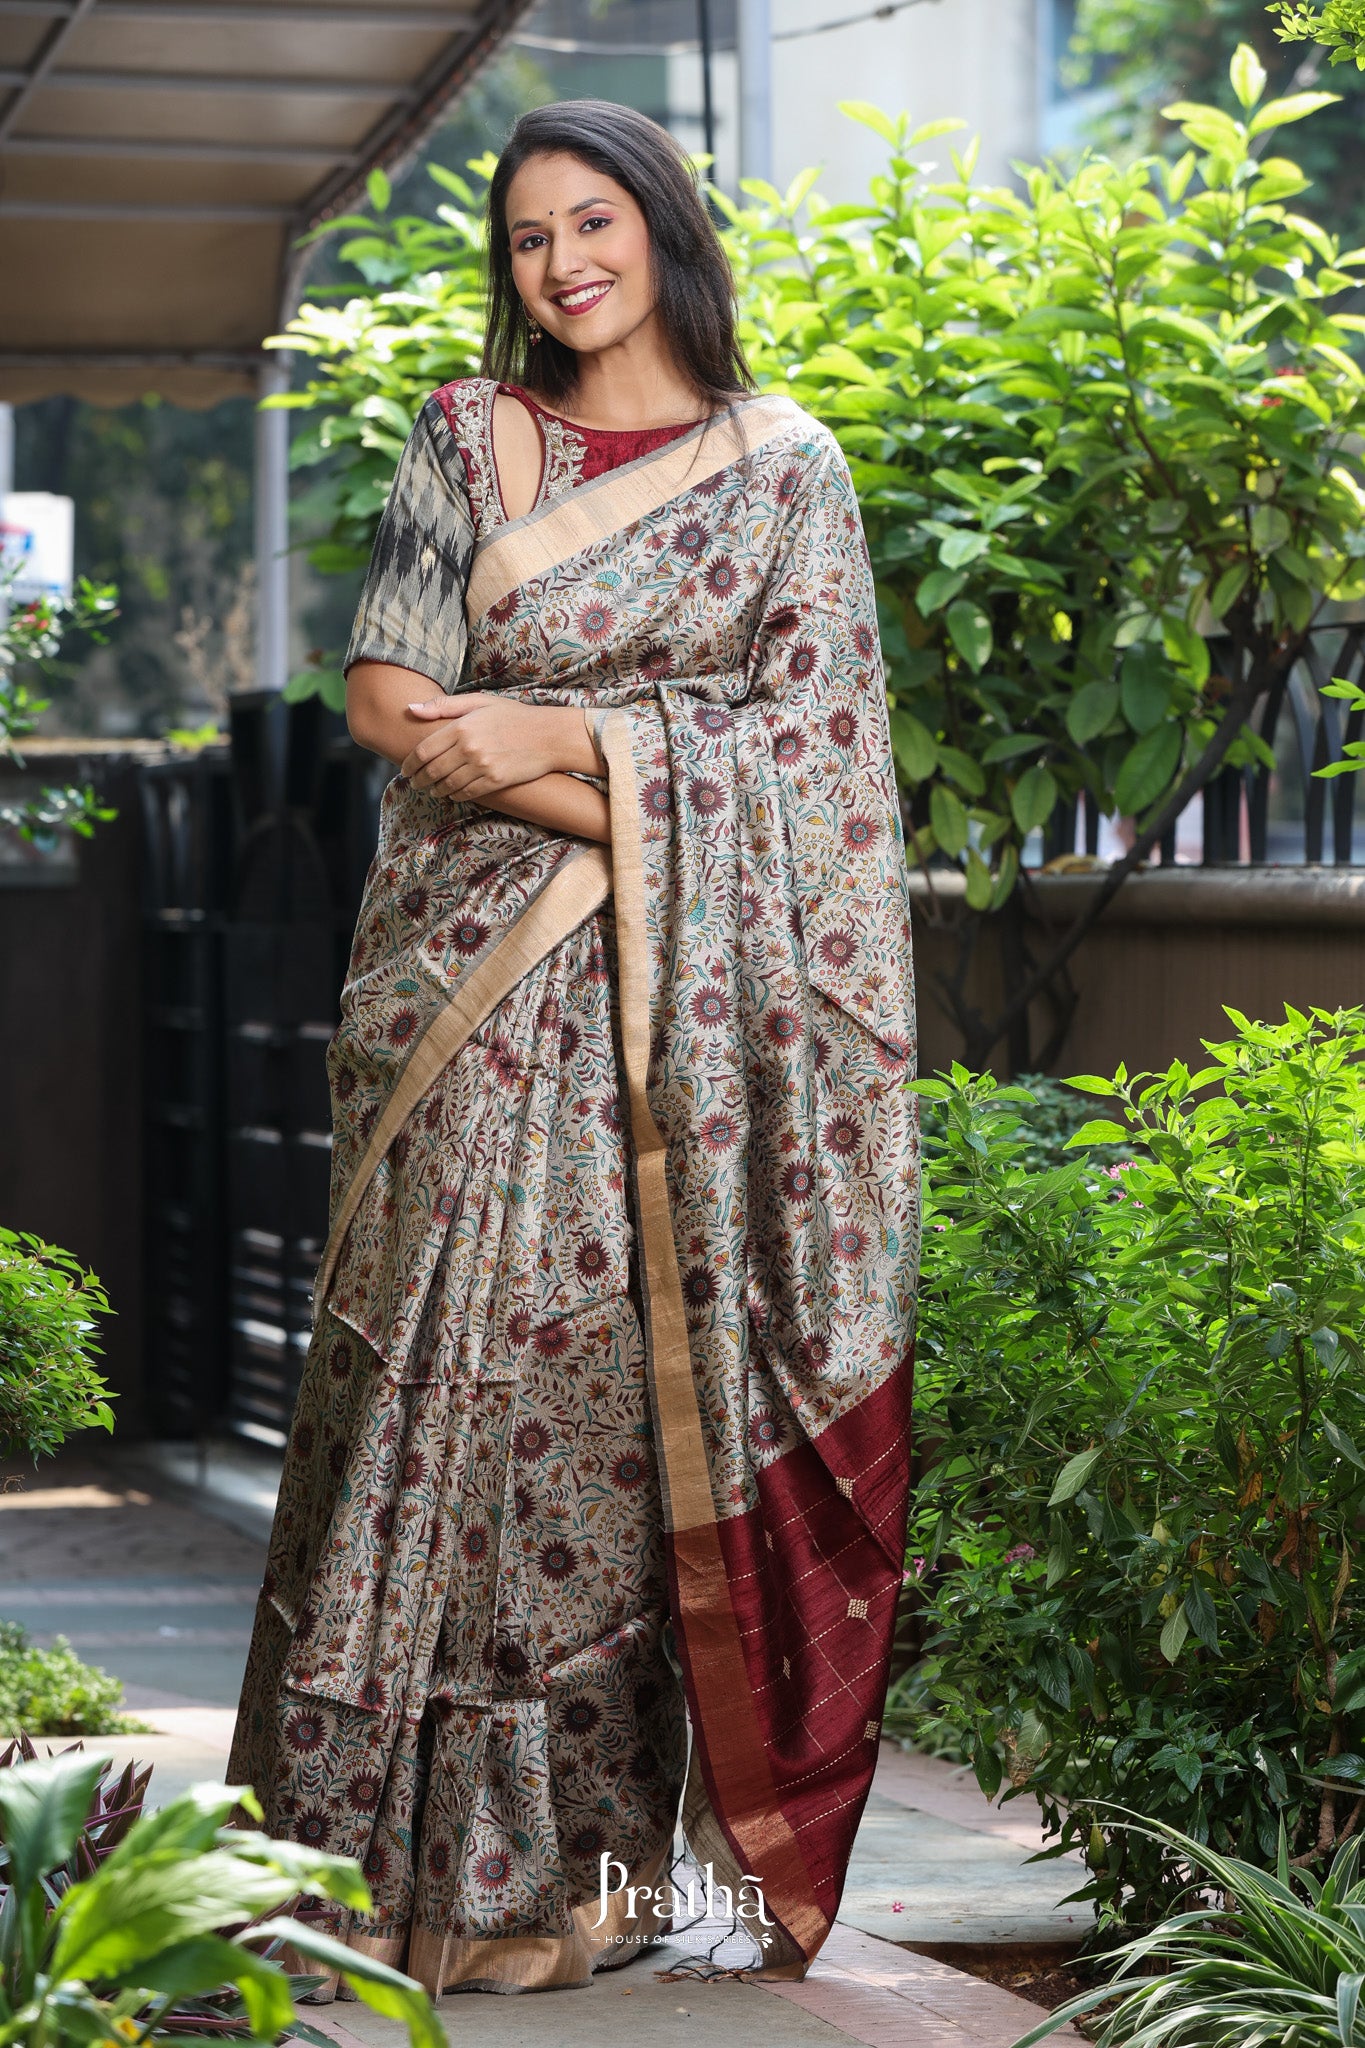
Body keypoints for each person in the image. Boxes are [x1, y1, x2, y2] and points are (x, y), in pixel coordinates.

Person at [229, 96, 919, 1998]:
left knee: (598, 1433)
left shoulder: (786, 473)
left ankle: (571, 1892)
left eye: (592, 221)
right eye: (529, 238)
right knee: (414, 1391)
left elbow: (825, 778)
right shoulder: (468, 435)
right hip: (459, 998)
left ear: (662, 228)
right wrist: (609, 776)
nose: (561, 264)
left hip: (668, 1043)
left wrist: (567, 742)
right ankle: (338, 1871)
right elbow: (396, 703)